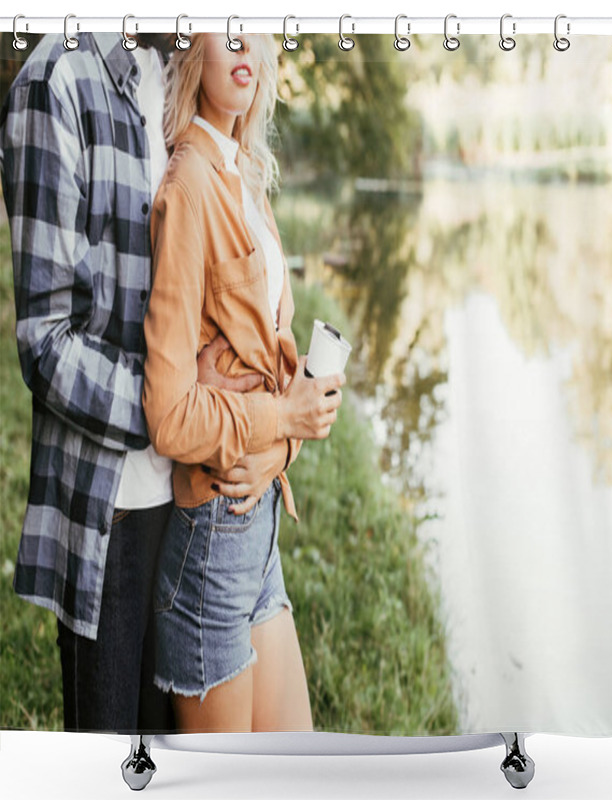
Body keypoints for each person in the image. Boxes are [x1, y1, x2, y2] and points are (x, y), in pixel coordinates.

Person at [0, 31, 266, 734]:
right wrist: (173, 409)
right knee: (114, 757)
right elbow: (46, 341)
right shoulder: (53, 81)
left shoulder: (180, 73)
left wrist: (256, 431)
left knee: (184, 758)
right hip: (109, 510)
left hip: (192, 504)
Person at [141, 32, 345, 733]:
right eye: (222, 22)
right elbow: (169, 415)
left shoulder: (242, 176)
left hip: (257, 538)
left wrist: (287, 436)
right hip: (210, 546)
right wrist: (282, 422)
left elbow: (271, 373)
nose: (242, 42)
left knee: (298, 763)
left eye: (254, 26)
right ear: (191, 47)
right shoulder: (190, 183)